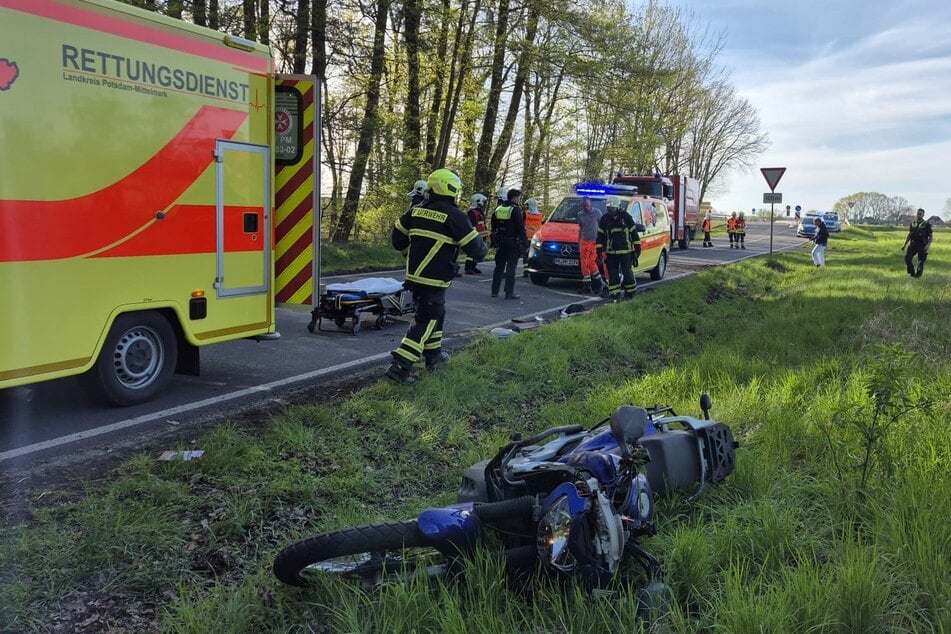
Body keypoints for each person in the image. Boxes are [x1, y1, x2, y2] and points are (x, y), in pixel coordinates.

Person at [386, 169, 487, 384]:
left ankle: (434, 358)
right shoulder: (455, 216)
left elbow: (397, 238)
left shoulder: (416, 211)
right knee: (426, 320)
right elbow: (477, 250)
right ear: (452, 189)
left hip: (414, 277)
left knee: (435, 317)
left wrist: (409, 256)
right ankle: (400, 367)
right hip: (435, 278)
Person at [597, 195, 641, 302]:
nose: (611, 211)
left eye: (613, 209)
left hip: (626, 252)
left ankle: (630, 293)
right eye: (609, 209)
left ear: (618, 207)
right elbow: (600, 236)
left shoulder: (626, 217)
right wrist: (598, 251)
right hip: (611, 253)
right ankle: (615, 295)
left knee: (627, 273)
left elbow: (634, 235)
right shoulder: (604, 219)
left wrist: (637, 250)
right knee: (613, 274)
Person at [490, 188, 528, 300]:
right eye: (519, 198)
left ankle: (494, 291)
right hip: (512, 242)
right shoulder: (515, 210)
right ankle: (509, 292)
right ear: (515, 197)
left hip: (501, 241)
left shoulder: (498, 209)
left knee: (499, 267)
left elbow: (493, 225)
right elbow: (521, 229)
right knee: (511, 268)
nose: (519, 200)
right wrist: (525, 244)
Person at [576, 196, 604, 294]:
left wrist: (602, 241)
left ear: (590, 204)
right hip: (584, 241)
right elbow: (581, 228)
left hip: (594, 242)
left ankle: (600, 282)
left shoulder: (597, 213)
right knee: (584, 264)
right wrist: (578, 241)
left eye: (587, 205)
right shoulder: (580, 215)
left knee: (590, 262)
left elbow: (602, 227)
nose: (586, 208)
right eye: (584, 206)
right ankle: (587, 285)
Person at [902, 208, 933, 278]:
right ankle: (912, 272)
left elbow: (931, 236)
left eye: (920, 214)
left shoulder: (927, 224)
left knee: (920, 262)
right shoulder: (913, 224)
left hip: (922, 245)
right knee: (907, 258)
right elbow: (909, 235)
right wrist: (904, 245)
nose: (918, 215)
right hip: (913, 244)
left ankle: (917, 276)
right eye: (918, 214)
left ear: (923, 215)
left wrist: (928, 245)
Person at [464, 194, 490, 274]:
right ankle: (468, 268)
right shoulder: (472, 212)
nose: (483, 203)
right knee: (471, 252)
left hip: (481, 235)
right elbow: (472, 224)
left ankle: (473, 266)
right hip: (475, 235)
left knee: (478, 251)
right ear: (478, 201)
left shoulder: (479, 211)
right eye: (483, 201)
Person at [521, 197, 544, 275]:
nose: (526, 207)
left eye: (527, 205)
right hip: (536, 238)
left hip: (527, 237)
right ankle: (533, 268)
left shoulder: (525, 213)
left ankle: (526, 269)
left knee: (525, 253)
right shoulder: (541, 215)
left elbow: (520, 224)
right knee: (535, 253)